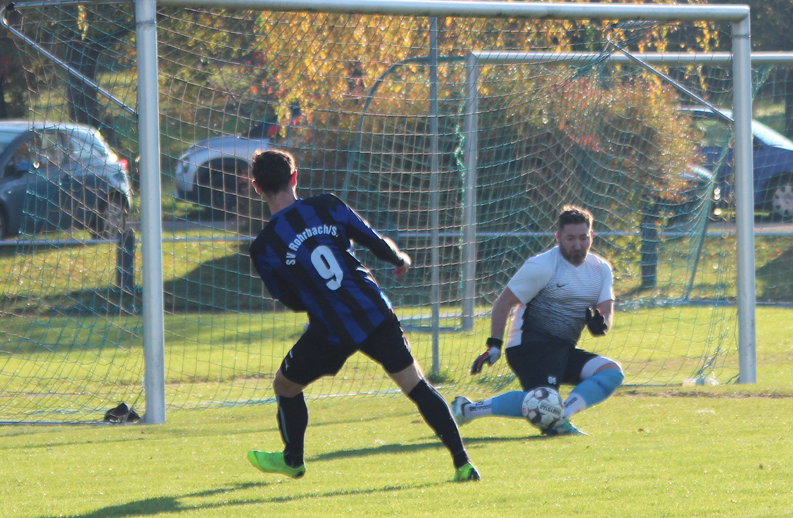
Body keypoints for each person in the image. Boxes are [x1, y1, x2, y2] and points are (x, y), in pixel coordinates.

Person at [246, 149, 480, 481]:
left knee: (285, 386)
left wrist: (318, 295)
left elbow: (290, 300)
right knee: (416, 385)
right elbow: (371, 239)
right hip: (374, 312)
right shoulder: (326, 205)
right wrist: (398, 259)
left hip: (329, 330)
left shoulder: (264, 246)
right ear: (295, 177)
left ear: (256, 187)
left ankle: (293, 459)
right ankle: (463, 464)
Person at [452, 205, 624, 436]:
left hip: (563, 348)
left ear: (591, 236)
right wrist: (494, 344)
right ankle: (553, 419)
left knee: (611, 372)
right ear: (558, 237)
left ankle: (469, 410)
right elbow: (503, 303)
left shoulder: (601, 269)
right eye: (570, 238)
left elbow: (606, 312)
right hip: (529, 346)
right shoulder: (542, 266)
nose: (577, 245)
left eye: (583, 238)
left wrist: (601, 324)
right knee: (544, 400)